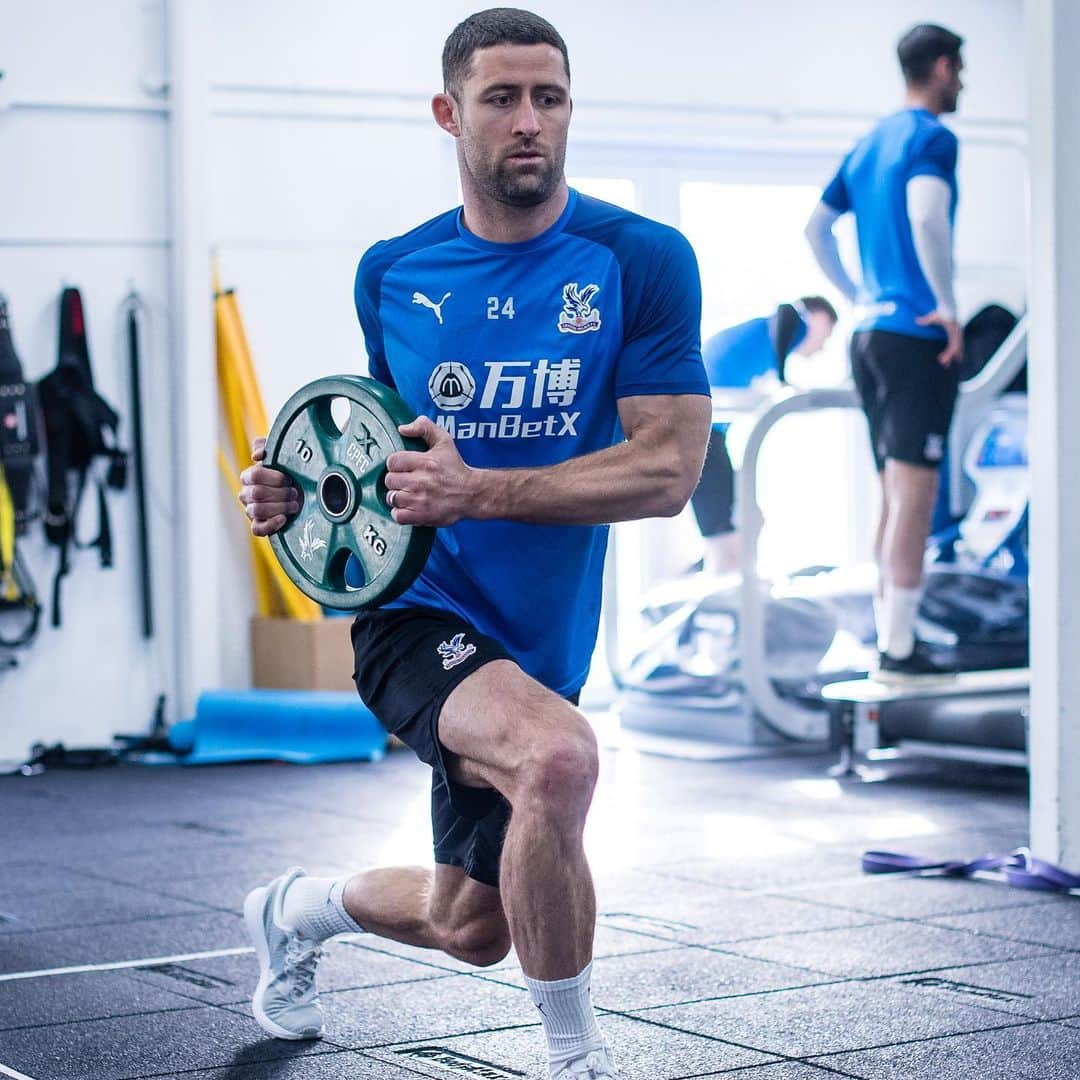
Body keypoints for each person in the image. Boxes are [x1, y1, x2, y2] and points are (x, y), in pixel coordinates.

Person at [237, 8, 711, 1079]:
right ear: (450, 114)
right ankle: (574, 1058)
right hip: (416, 613)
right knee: (560, 757)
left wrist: (481, 488)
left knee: (472, 924)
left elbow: (668, 473)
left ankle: (297, 910)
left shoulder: (640, 261)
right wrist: (292, 492)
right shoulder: (394, 272)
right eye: (502, 98)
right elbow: (371, 445)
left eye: (548, 97)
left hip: (538, 643)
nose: (529, 121)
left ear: (571, 109)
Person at [804, 23, 965, 679]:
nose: (962, 83)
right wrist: (948, 307)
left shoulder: (870, 141)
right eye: (960, 70)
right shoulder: (933, 136)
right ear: (944, 67)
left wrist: (857, 295)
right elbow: (926, 214)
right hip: (913, 333)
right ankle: (899, 649)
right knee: (916, 498)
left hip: (870, 333)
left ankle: (887, 637)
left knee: (892, 495)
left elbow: (815, 229)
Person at [691, 297, 838, 574]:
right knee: (725, 536)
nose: (822, 346)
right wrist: (783, 378)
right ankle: (717, 586)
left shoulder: (771, 341)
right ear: (817, 317)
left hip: (709, 430)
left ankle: (719, 578)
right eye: (827, 333)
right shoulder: (794, 321)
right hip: (699, 430)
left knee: (749, 519)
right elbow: (786, 312)